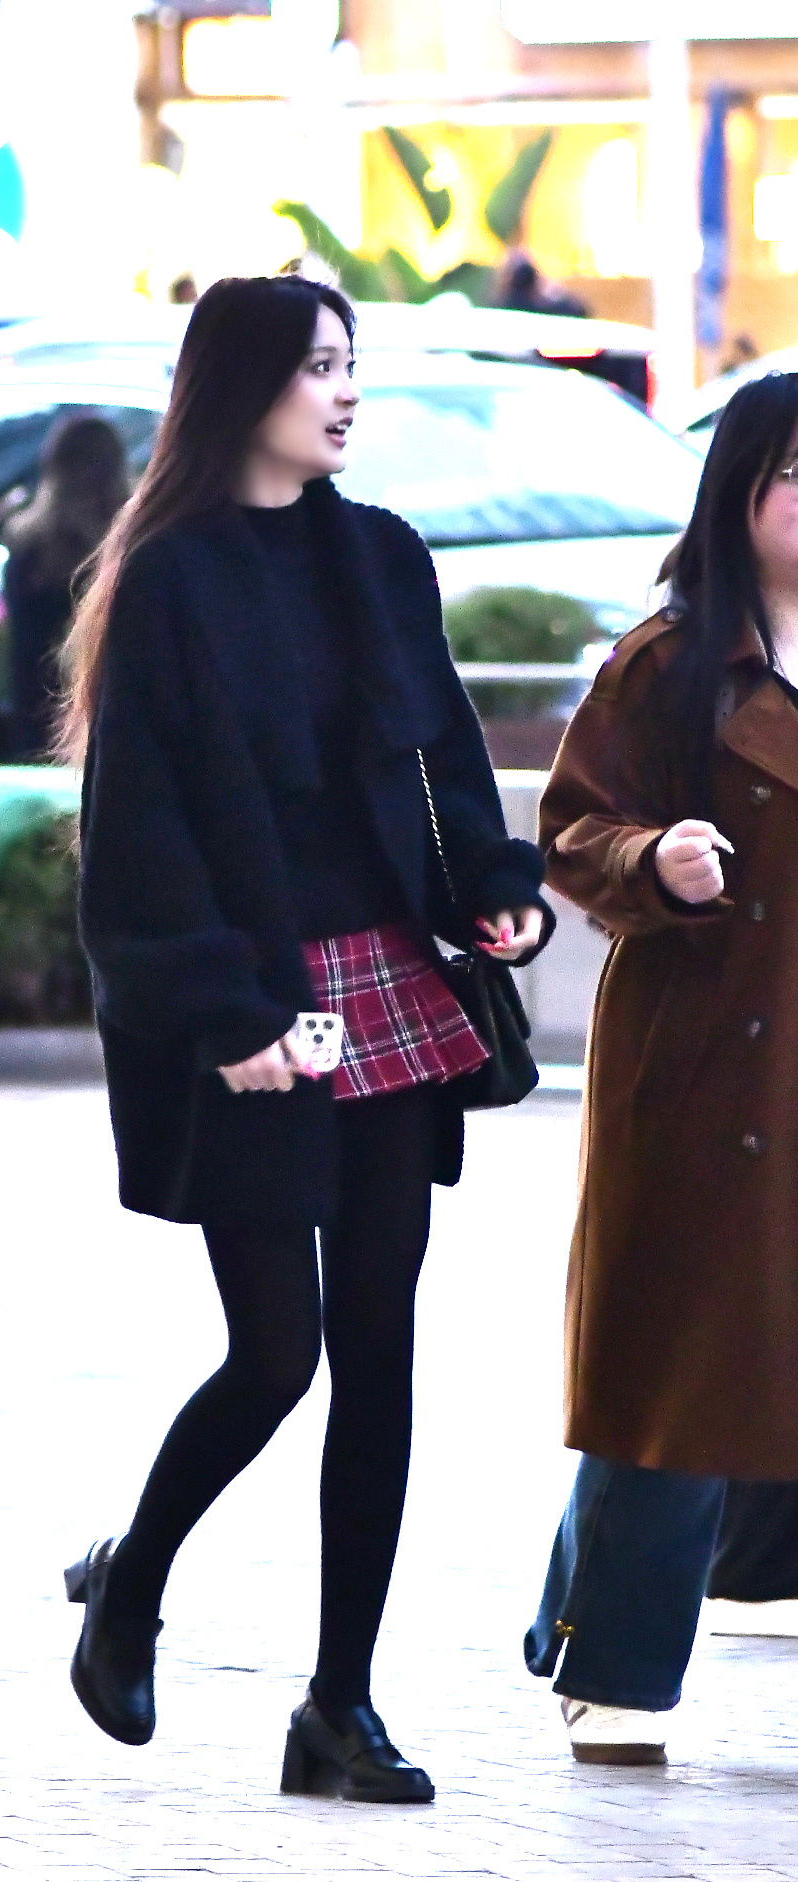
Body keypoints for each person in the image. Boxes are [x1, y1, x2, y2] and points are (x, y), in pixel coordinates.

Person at [57, 274, 551, 1802]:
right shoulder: (170, 579)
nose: (344, 391)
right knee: (275, 1351)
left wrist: (495, 887)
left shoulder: (378, 555)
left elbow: (442, 754)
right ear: (244, 385)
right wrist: (225, 1013)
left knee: (380, 1351)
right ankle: (131, 1580)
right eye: (318, 366)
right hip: (256, 998)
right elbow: (136, 831)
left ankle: (339, 1705)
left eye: (351, 363)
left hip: (385, 982)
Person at [525, 371, 798, 1763]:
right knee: (670, 1361)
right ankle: (606, 1658)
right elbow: (572, 829)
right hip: (703, 1060)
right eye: (794, 474)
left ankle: (756, 1569)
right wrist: (654, 857)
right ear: (736, 491)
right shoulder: (668, 662)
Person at [3, 413, 128, 760]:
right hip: (113, 716)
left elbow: (24, 647)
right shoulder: (131, 547)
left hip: (38, 717)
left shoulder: (28, 547)